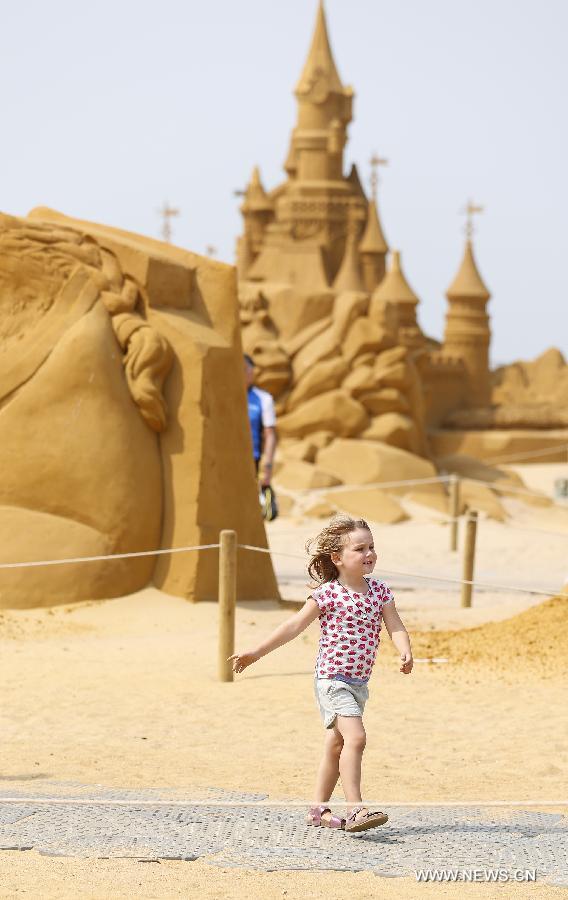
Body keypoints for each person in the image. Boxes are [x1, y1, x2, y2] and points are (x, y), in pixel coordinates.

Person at [229, 514, 414, 833]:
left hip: (359, 683)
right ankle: (356, 809)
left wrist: (404, 650)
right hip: (333, 680)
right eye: (359, 549)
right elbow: (293, 626)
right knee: (356, 738)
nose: (368, 554)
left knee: (336, 745)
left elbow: (394, 624)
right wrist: (255, 653)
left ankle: (318, 810)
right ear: (337, 558)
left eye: (371, 547)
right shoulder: (328, 594)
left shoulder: (380, 591)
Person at [244, 354, 277, 487]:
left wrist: (267, 464)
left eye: (245, 369)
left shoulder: (263, 398)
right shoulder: (225, 397)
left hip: (253, 460)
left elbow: (270, 434)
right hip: (227, 459)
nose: (242, 373)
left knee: (265, 499)